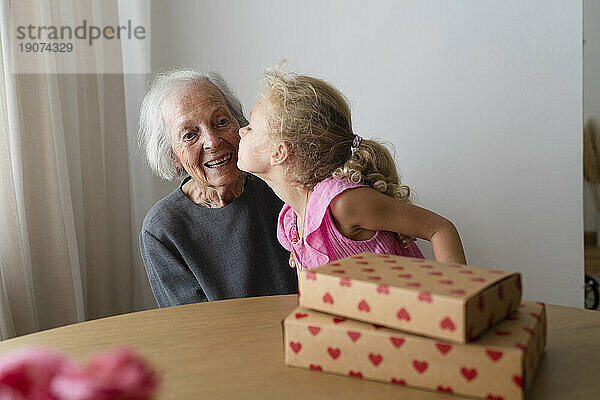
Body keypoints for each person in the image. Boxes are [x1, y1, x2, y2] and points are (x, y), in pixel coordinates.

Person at [237, 70, 466, 270]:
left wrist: (456, 304)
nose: (241, 131)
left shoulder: (342, 204)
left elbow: (440, 229)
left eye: (251, 126)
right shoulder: (292, 224)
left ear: (280, 152)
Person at [138, 69, 297, 307]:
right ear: (173, 155)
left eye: (221, 122)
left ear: (241, 125)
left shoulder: (281, 184)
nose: (212, 141)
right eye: (190, 134)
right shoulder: (163, 228)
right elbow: (192, 326)